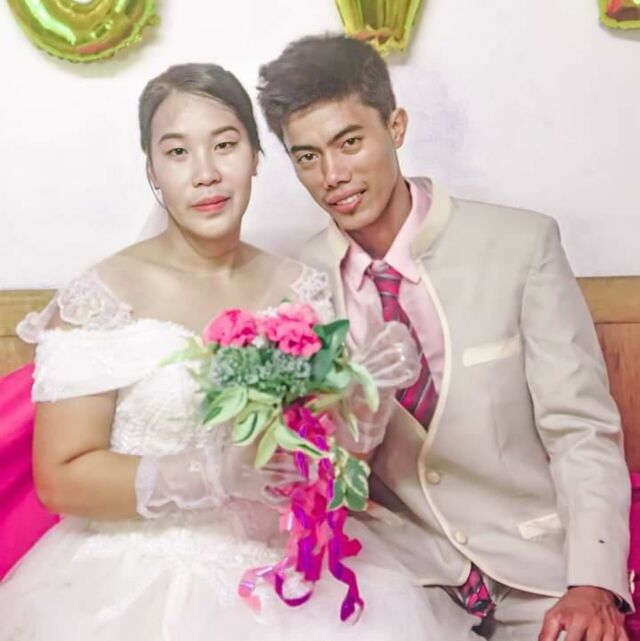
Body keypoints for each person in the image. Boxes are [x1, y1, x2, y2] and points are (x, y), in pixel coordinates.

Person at [0, 62, 477, 641]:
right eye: (178, 153)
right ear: (152, 171)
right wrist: (213, 474)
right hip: (140, 578)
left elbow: (326, 467)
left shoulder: (302, 288)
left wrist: (366, 402)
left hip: (289, 571)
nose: (205, 173)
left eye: (225, 145)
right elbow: (60, 479)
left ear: (255, 157)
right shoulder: (101, 297)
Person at [257, 34, 632, 641]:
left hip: (535, 570)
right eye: (307, 157)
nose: (333, 176)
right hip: (396, 578)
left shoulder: (521, 245)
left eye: (349, 142)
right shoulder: (291, 289)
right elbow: (309, 471)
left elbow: (580, 428)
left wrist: (592, 583)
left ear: (396, 126)